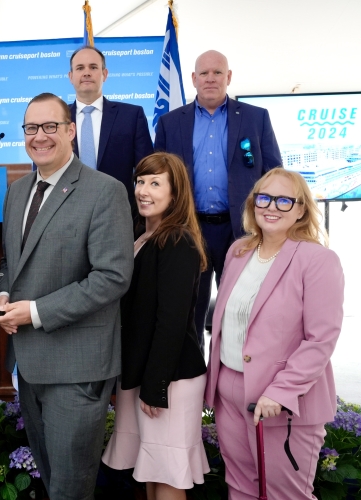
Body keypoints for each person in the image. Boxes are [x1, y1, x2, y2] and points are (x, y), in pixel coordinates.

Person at [0, 93, 134, 499]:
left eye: (50, 126)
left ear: (71, 130)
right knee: (53, 479)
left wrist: (35, 311)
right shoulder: (18, 192)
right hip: (29, 364)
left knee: (71, 487)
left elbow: (112, 277)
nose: (40, 136)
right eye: (31, 128)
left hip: (77, 368)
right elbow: (14, 266)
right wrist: (1, 293)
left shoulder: (104, 191)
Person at [204, 168, 343, 499]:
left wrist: (281, 391)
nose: (272, 207)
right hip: (230, 394)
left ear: (300, 209)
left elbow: (321, 339)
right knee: (239, 489)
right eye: (264, 198)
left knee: (286, 494)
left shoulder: (318, 260)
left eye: (284, 200)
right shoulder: (239, 252)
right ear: (253, 203)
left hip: (281, 401)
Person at [154, 50, 282, 346]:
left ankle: (231, 381)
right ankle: (193, 381)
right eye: (204, 73)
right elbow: (157, 179)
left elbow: (274, 174)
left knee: (239, 308)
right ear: (193, 79)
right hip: (188, 228)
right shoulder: (170, 123)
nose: (210, 78)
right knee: (188, 310)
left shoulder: (255, 118)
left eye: (217, 72)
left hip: (240, 229)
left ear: (229, 77)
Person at [102, 152, 210, 500]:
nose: (143, 190)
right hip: (146, 374)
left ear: (175, 193)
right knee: (152, 473)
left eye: (155, 183)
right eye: (140, 181)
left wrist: (156, 384)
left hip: (169, 379)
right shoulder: (143, 236)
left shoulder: (176, 240)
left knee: (167, 477)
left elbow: (172, 321)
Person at [67, 46, 154, 212]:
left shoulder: (131, 116)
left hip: (119, 212)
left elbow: (148, 170)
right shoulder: (57, 118)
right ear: (71, 77)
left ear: (104, 74)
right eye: (80, 68)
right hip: (68, 213)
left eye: (93, 67)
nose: (86, 73)